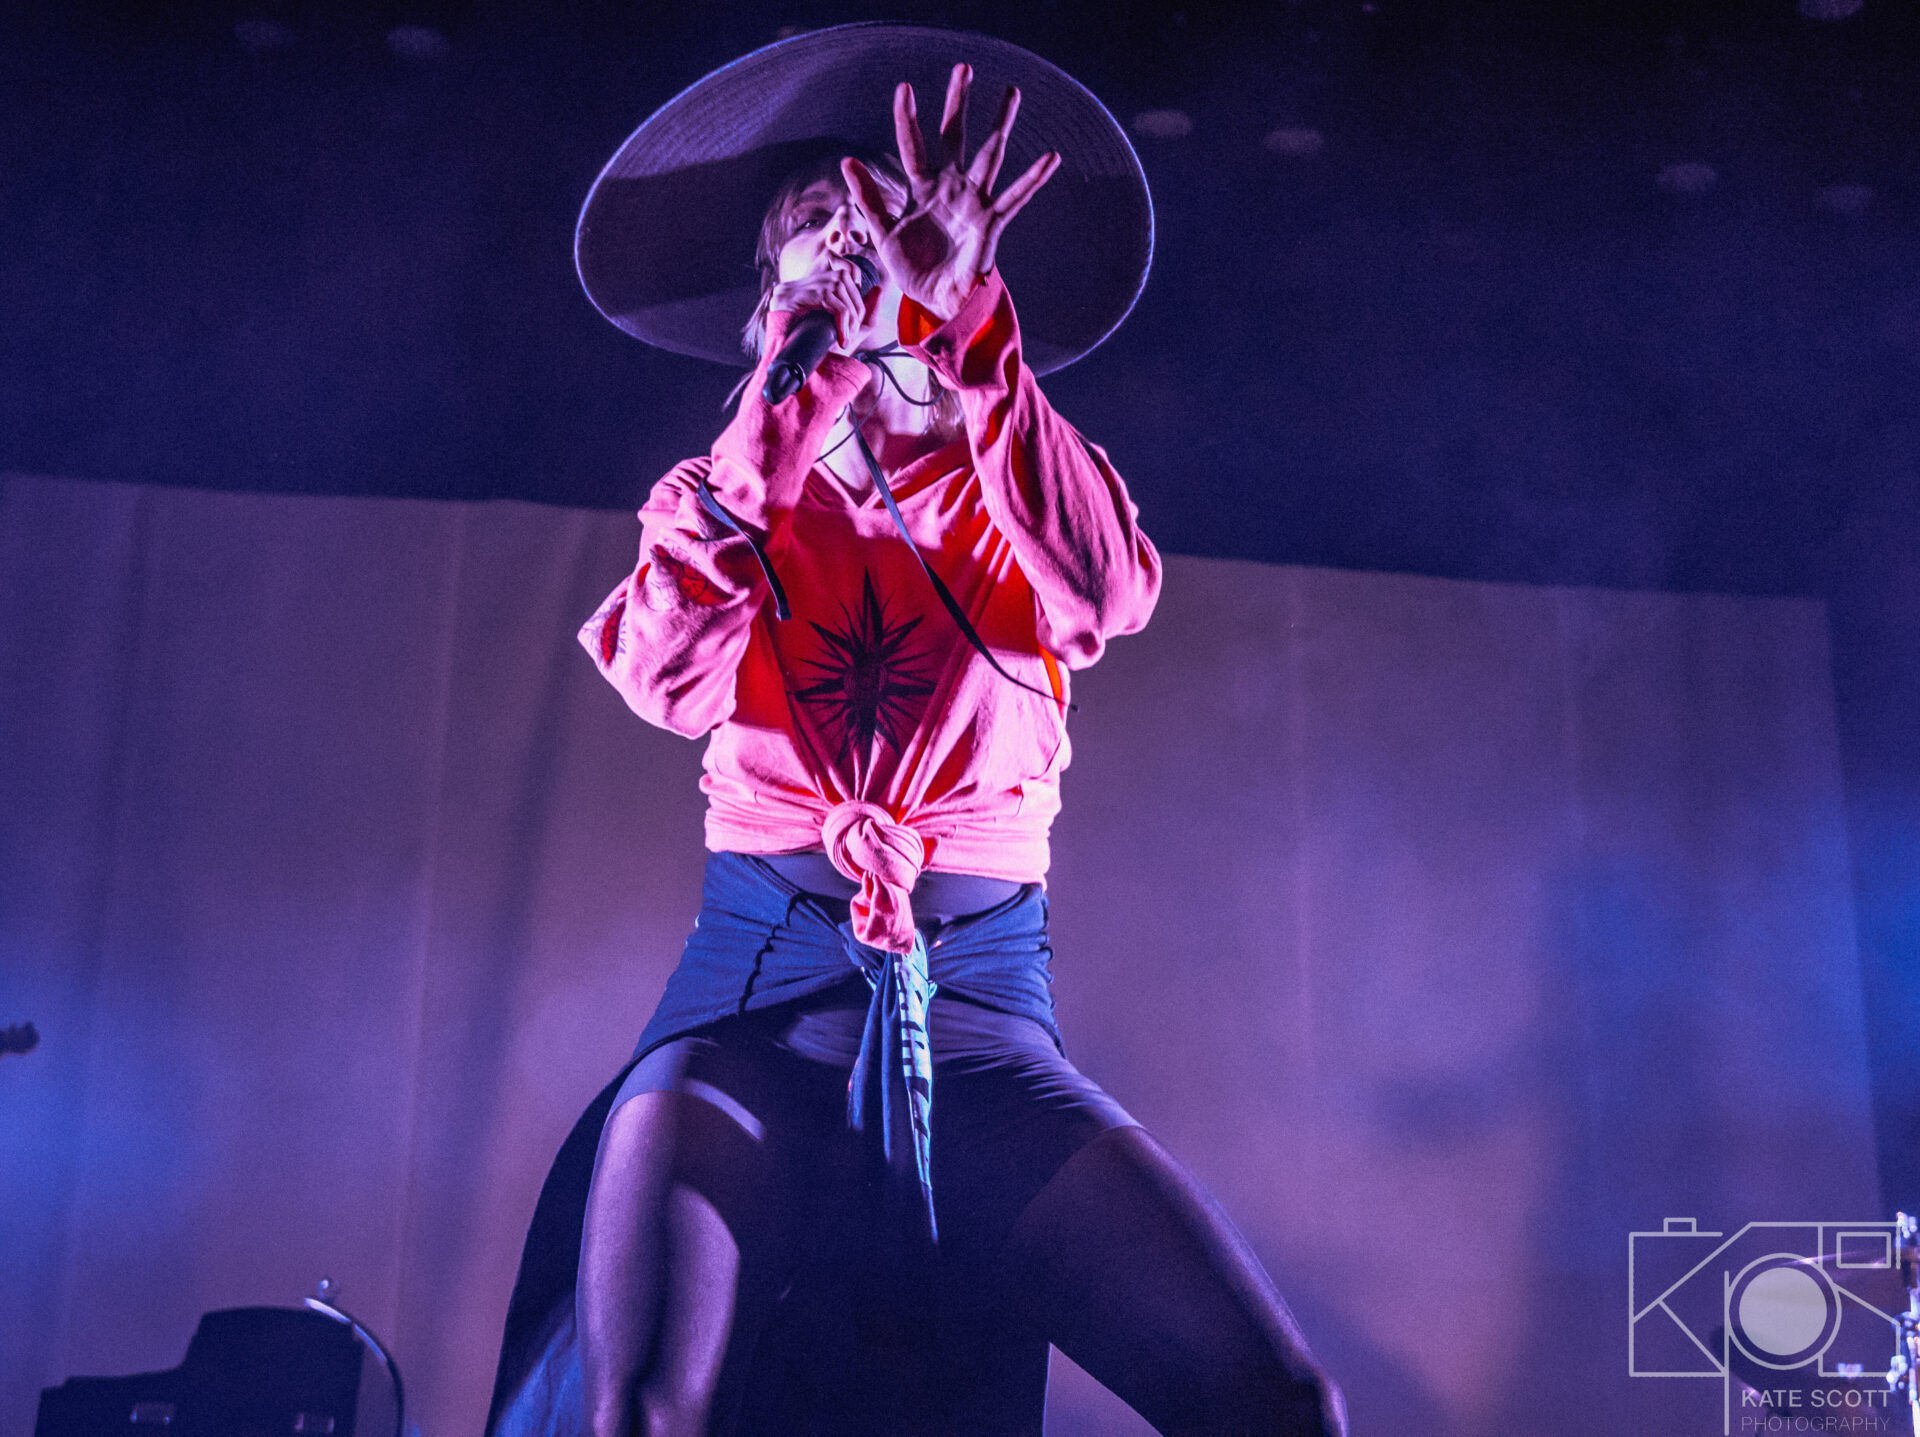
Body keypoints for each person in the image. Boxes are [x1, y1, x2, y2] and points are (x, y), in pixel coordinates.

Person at [486, 26, 1346, 1437]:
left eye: (875, 235)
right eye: (813, 239)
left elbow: (1107, 590)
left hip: (981, 1018)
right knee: (642, 1406)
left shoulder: (1019, 474)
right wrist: (795, 404)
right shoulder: (722, 497)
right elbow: (664, 679)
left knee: (1277, 1399)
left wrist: (973, 342)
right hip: (753, 1011)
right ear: (769, 299)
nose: (848, 257)